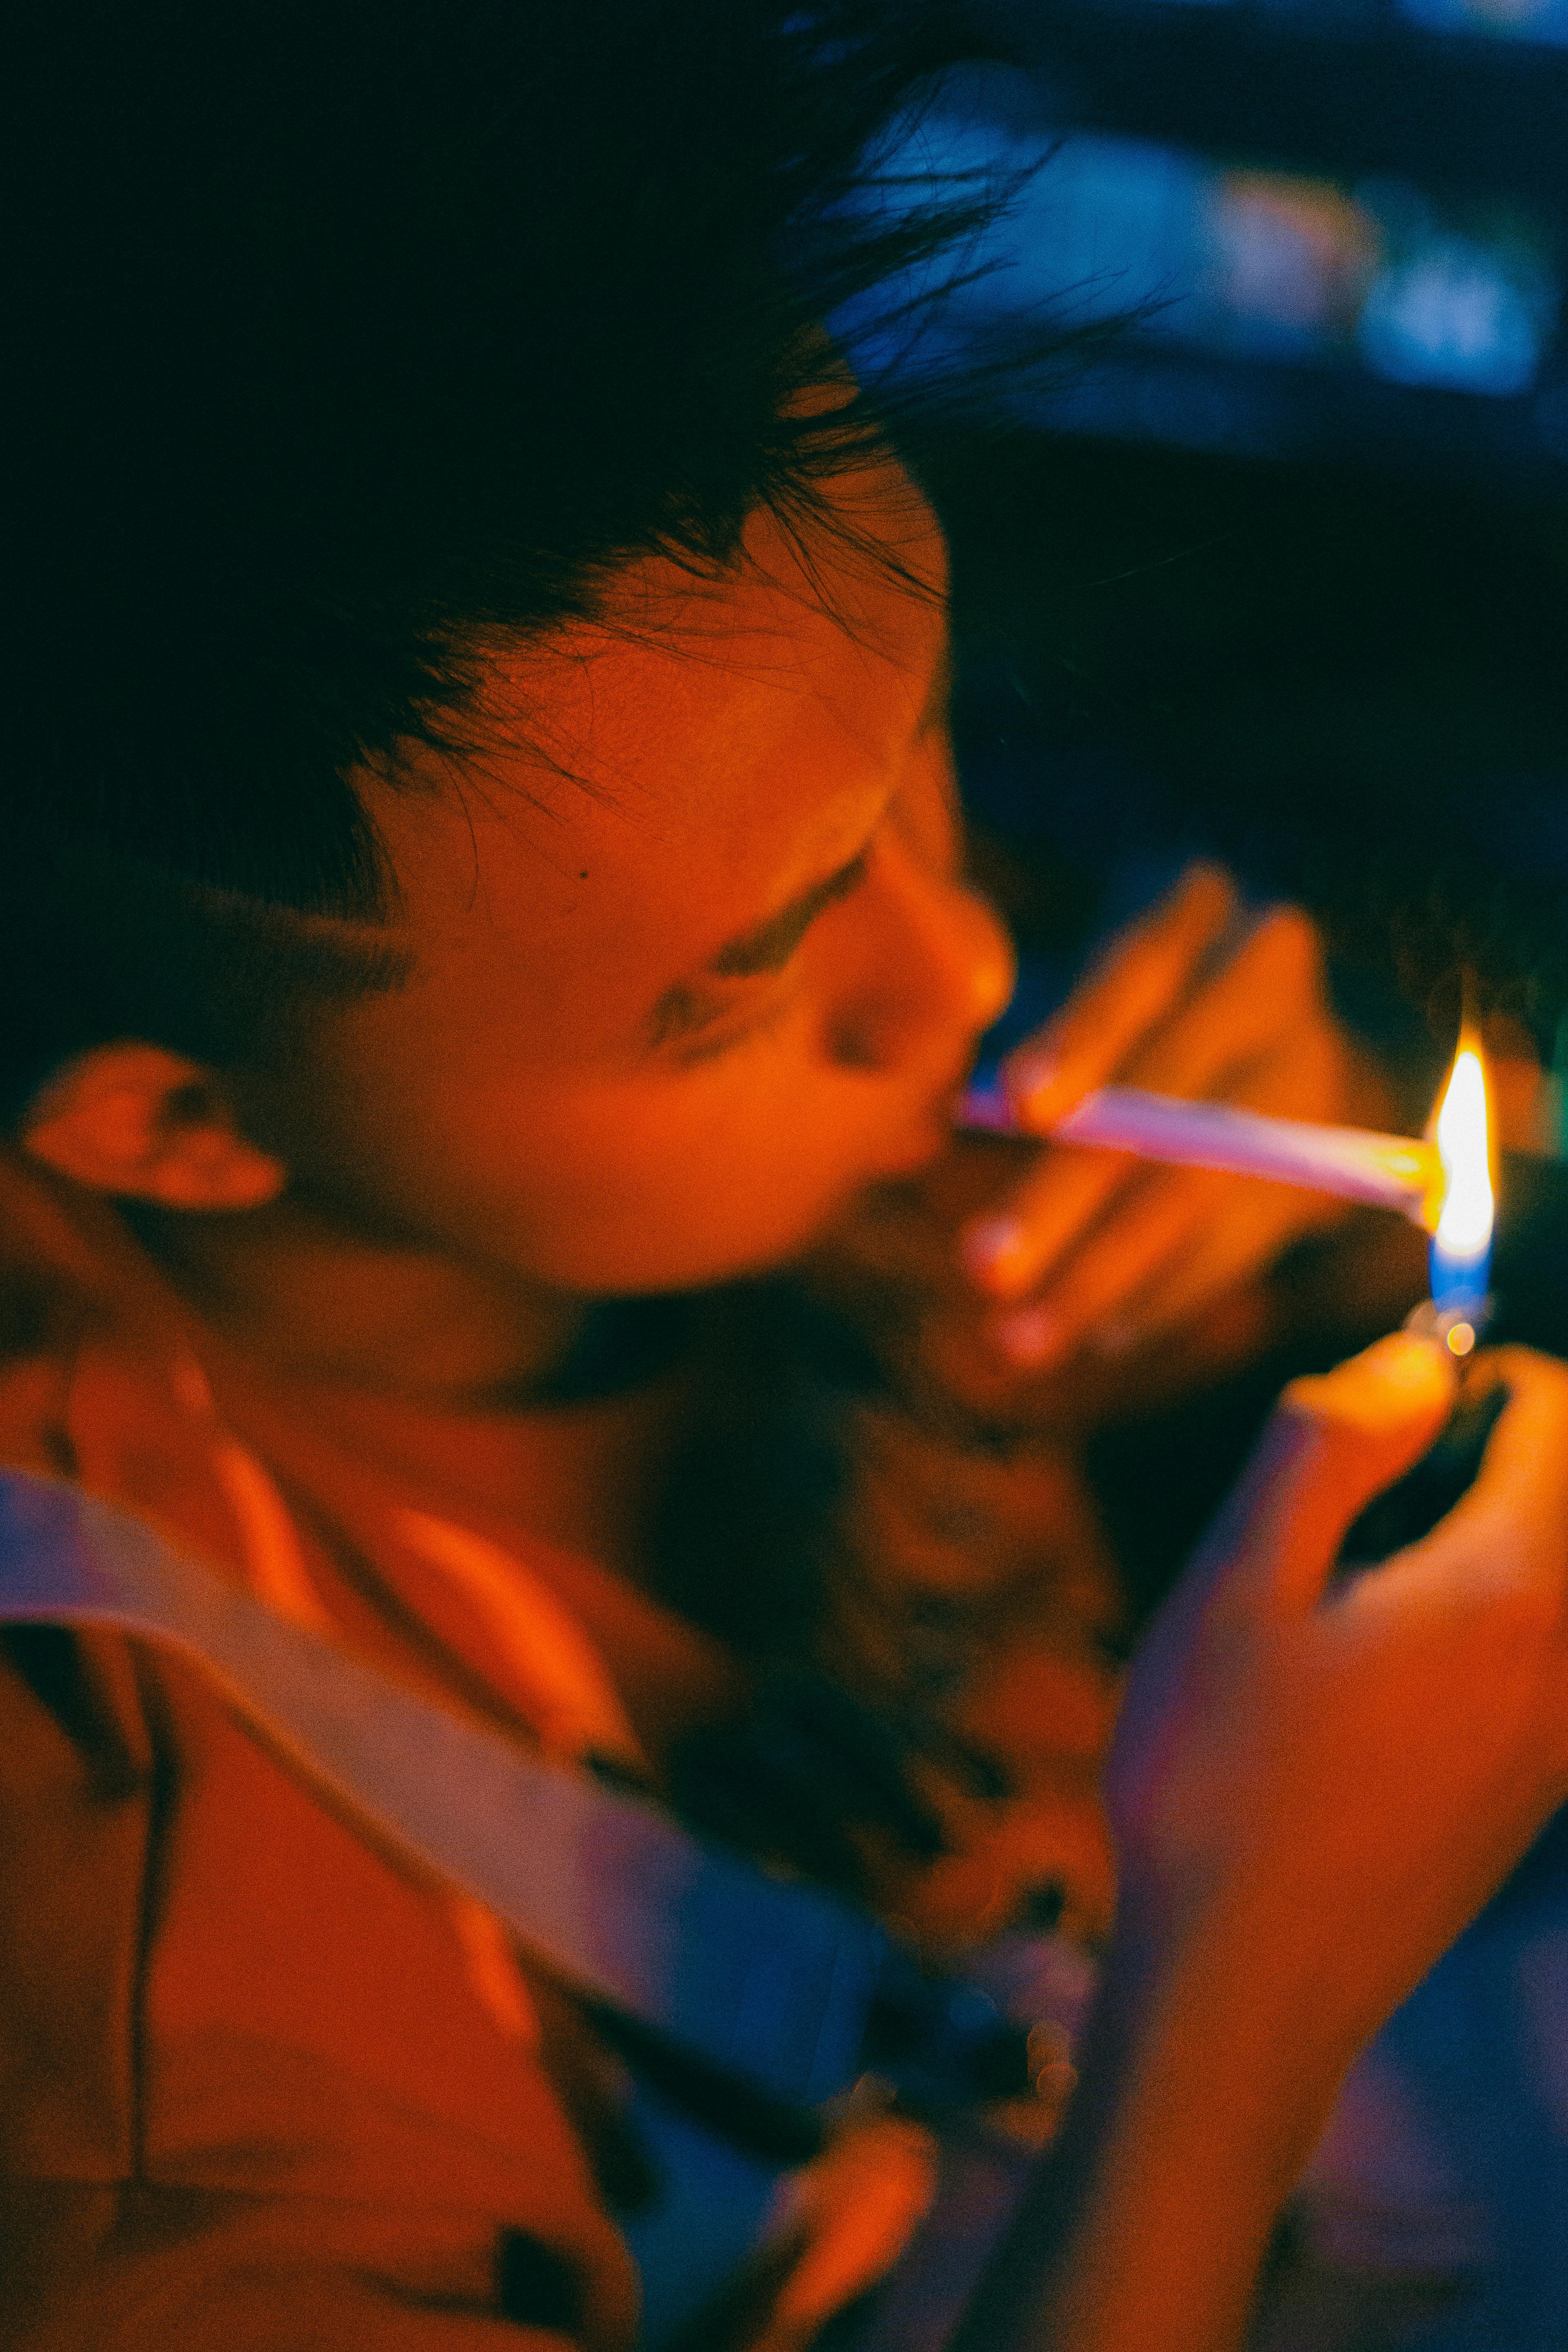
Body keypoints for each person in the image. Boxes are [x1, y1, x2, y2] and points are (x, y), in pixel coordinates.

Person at [4, 6, 1568, 2349]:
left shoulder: (597, 1022)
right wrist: (1239, 1999)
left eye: (926, 757)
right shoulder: (157, 2037)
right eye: (758, 978)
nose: (966, 974)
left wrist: (1290, 1258)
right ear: (170, 1129)